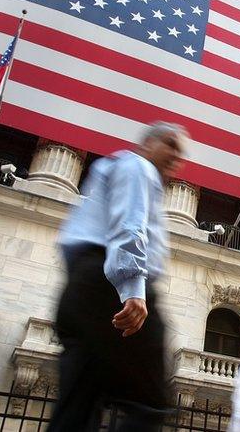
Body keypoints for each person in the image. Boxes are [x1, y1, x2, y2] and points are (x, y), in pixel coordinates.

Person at [48, 122, 187, 432]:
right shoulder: (138, 167)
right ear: (147, 144)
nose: (177, 156)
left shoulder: (111, 166)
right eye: (170, 144)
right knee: (151, 404)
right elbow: (129, 225)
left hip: (83, 286)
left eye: (180, 151)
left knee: (78, 403)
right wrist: (132, 288)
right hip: (112, 288)